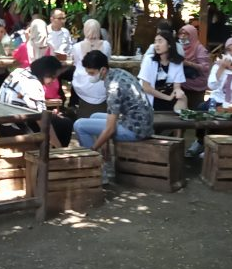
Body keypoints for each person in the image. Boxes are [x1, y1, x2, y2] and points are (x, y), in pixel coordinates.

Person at [72, 51, 156, 183]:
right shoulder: (118, 73)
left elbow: (110, 129)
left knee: (79, 125)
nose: (90, 76)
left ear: (103, 70)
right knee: (94, 116)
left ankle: (96, 167)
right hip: (141, 122)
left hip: (134, 129)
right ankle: (104, 163)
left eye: (92, 73)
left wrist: (94, 149)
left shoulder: (113, 87)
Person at [0, 55, 73, 148]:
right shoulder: (34, 84)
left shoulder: (19, 71)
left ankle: (53, 150)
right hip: (15, 126)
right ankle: (55, 154)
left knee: (60, 121)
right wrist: (58, 146)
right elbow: (43, 120)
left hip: (2, 122)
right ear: (45, 73)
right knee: (65, 124)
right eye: (52, 77)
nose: (53, 81)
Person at [70, 19, 112, 118]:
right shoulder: (106, 45)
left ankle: (73, 105)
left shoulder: (76, 47)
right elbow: (108, 61)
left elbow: (76, 63)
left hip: (82, 84)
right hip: (102, 83)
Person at [13, 18, 62, 100]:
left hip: (28, 87)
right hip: (49, 88)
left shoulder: (24, 47)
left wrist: (27, 40)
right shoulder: (50, 47)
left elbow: (15, 56)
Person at [138, 31, 188, 112]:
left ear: (169, 44)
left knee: (183, 97)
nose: (156, 45)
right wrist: (167, 98)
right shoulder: (149, 60)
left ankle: (180, 119)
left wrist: (178, 92)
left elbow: (177, 86)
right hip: (151, 97)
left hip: (169, 96)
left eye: (160, 41)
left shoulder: (177, 62)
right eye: (155, 42)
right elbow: (146, 87)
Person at [178, 24, 211, 108]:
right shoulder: (179, 48)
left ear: (192, 35)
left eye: (186, 34)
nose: (182, 36)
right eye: (181, 34)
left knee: (195, 111)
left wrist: (189, 64)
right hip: (182, 85)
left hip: (196, 87)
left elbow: (205, 68)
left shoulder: (199, 49)